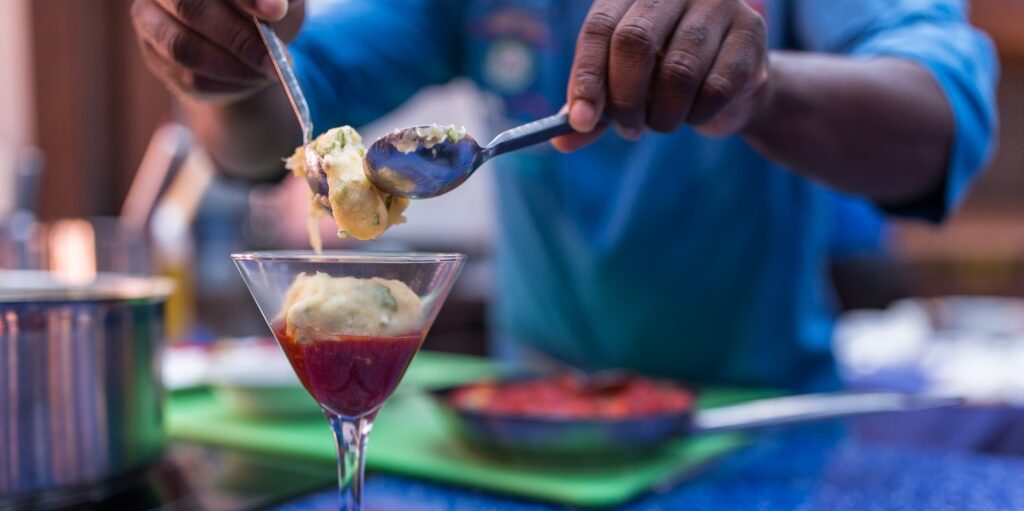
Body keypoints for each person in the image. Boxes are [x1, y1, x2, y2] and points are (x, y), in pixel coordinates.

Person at [130, 0, 997, 391]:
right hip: (528, 431)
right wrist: (229, 58)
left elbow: (948, 116)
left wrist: (760, 90)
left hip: (748, 432)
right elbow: (269, 124)